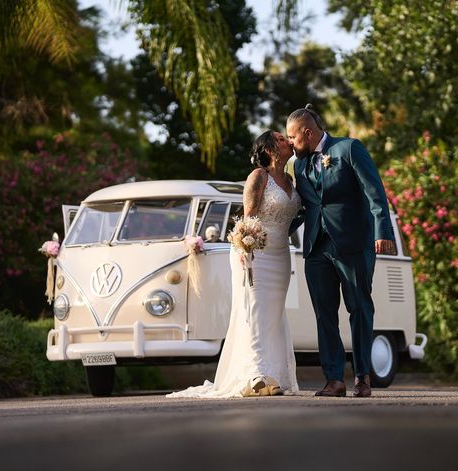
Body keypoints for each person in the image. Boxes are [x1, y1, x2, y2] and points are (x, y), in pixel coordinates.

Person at [167, 131, 301, 398]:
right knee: (253, 311)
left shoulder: (290, 180)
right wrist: (244, 249)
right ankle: (256, 375)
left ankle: (274, 376)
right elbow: (247, 217)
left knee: (273, 315)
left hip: (280, 255)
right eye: (281, 137)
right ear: (271, 149)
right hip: (254, 253)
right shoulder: (258, 177)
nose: (288, 139)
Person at [286, 104, 395, 398]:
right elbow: (307, 206)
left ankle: (362, 377)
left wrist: (382, 231)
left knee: (359, 308)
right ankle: (334, 379)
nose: (291, 144)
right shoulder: (299, 165)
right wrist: (271, 232)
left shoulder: (349, 149)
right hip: (316, 248)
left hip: (352, 244)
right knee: (324, 315)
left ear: (308, 133)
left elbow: (376, 192)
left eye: (293, 138)